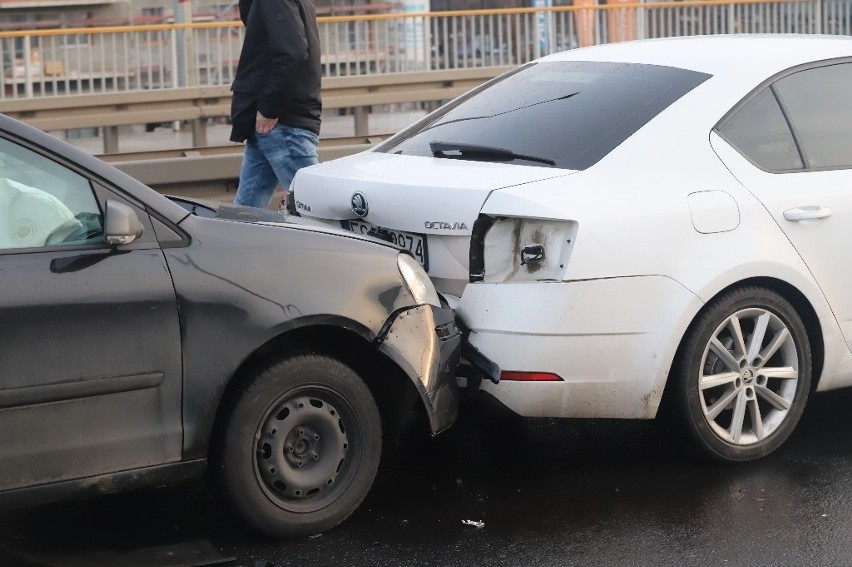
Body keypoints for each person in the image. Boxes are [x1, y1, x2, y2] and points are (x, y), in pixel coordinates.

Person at [230, 0, 322, 210]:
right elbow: (256, 26)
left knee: (320, 208)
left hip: (280, 122)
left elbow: (293, 53)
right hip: (275, 122)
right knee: (246, 213)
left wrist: (270, 108)